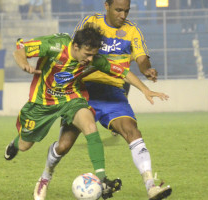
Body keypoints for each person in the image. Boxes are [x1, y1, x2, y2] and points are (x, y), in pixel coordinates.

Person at [34, 0, 173, 200]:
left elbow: (141, 57)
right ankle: (45, 178)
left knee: (132, 131)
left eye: (126, 11)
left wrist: (146, 70)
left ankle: (151, 186)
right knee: (64, 145)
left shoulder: (132, 31)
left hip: (113, 92)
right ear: (106, 6)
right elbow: (74, 51)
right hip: (82, 90)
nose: (123, 15)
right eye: (118, 10)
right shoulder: (90, 22)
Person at [4, 23, 133, 200]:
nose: (89, 58)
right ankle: (16, 143)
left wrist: (147, 89)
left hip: (72, 98)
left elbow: (121, 71)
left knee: (89, 127)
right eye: (87, 54)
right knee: (25, 145)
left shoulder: (90, 56)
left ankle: (100, 179)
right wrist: (24, 63)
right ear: (76, 46)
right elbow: (20, 51)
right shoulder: (55, 45)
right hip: (42, 102)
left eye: (92, 55)